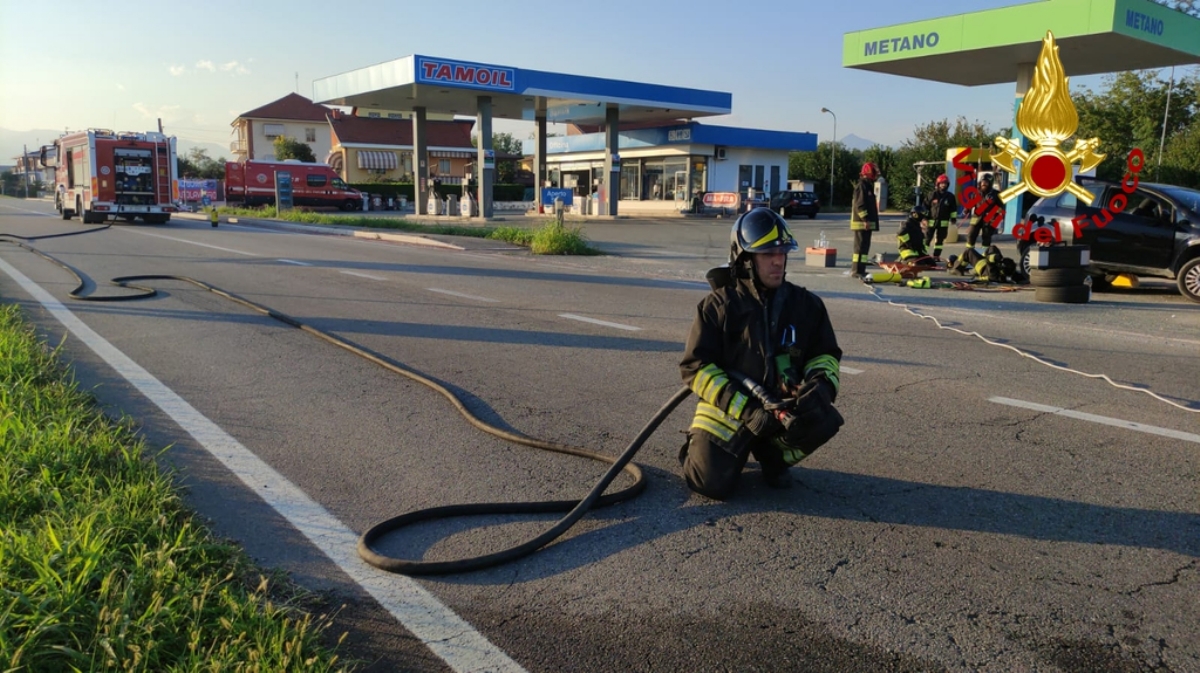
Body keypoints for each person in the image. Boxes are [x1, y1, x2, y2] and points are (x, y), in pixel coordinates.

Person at [679, 208, 844, 499]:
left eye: (782, 253)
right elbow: (696, 368)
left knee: (824, 417)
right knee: (709, 483)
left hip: (781, 409)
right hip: (731, 410)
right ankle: (698, 451)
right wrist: (747, 411)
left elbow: (825, 355)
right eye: (768, 254)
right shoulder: (718, 307)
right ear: (745, 259)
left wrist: (821, 386)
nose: (778, 261)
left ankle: (773, 458)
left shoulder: (807, 306)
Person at [851, 162, 881, 278]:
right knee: (859, 248)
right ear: (869, 172)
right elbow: (860, 205)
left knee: (864, 249)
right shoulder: (862, 186)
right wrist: (865, 220)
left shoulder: (867, 186)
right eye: (874, 172)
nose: (876, 174)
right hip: (861, 224)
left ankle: (861, 270)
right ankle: (856, 270)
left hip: (865, 224)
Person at [923, 173, 958, 259]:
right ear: (938, 184)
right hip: (931, 222)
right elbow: (925, 206)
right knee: (927, 239)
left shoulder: (950, 197)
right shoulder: (932, 195)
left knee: (940, 241)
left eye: (945, 183)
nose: (943, 185)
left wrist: (953, 218)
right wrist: (924, 218)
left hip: (943, 223)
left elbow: (953, 209)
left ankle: (936, 256)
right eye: (942, 183)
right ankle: (922, 255)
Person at [966, 174, 1004, 249]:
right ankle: (969, 252)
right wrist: (966, 210)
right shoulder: (976, 193)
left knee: (986, 237)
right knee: (971, 235)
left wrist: (995, 217)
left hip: (989, 218)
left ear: (990, 183)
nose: (983, 184)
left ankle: (984, 253)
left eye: (986, 182)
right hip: (976, 217)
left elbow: (1000, 207)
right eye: (982, 182)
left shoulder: (995, 194)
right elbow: (970, 204)